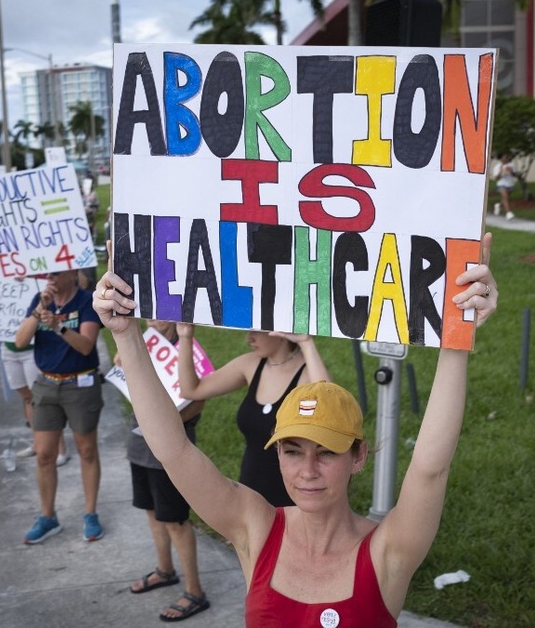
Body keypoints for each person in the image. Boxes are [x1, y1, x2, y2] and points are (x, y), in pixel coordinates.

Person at [93, 232, 497, 626]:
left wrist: (457, 336)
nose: (307, 471)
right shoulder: (255, 526)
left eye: (325, 452)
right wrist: (125, 335)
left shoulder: (387, 551)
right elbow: (173, 450)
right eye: (292, 451)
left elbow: (430, 468)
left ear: (358, 456)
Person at [176, 325, 330, 507]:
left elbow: (328, 403)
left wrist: (306, 342)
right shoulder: (250, 364)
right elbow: (191, 390)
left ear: (280, 332)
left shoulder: (307, 374)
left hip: (293, 495)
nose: (249, 338)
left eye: (256, 331)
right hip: (251, 489)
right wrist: (185, 338)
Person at [123, 320, 210, 622]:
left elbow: (198, 399)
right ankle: (165, 570)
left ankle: (195, 591)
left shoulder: (189, 349)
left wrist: (163, 424)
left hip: (170, 448)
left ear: (175, 318)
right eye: (147, 315)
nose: (150, 321)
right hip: (139, 441)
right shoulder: (144, 342)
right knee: (150, 510)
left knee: (174, 519)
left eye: (157, 315)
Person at [14, 269, 105, 544]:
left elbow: (86, 346)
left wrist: (58, 326)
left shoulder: (87, 301)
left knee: (86, 450)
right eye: (47, 274)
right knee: (44, 454)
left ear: (71, 273)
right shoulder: (39, 300)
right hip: (46, 384)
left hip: (80, 384)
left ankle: (90, 514)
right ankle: (48, 517)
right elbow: (19, 341)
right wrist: (40, 308)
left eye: (55, 273)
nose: (49, 278)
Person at [2, 338, 70, 466]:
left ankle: (60, 449)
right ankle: (38, 442)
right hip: (8, 347)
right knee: (28, 398)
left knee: (43, 399)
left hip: (34, 348)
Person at [492, 153, 517, 219]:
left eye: (507, 157)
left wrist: (511, 171)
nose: (506, 159)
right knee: (505, 198)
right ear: (501, 159)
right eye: (504, 157)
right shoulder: (497, 167)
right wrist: (501, 171)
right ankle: (508, 213)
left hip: (510, 184)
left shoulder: (511, 165)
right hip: (501, 184)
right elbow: (496, 179)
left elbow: (515, 175)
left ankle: (498, 205)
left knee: (504, 199)